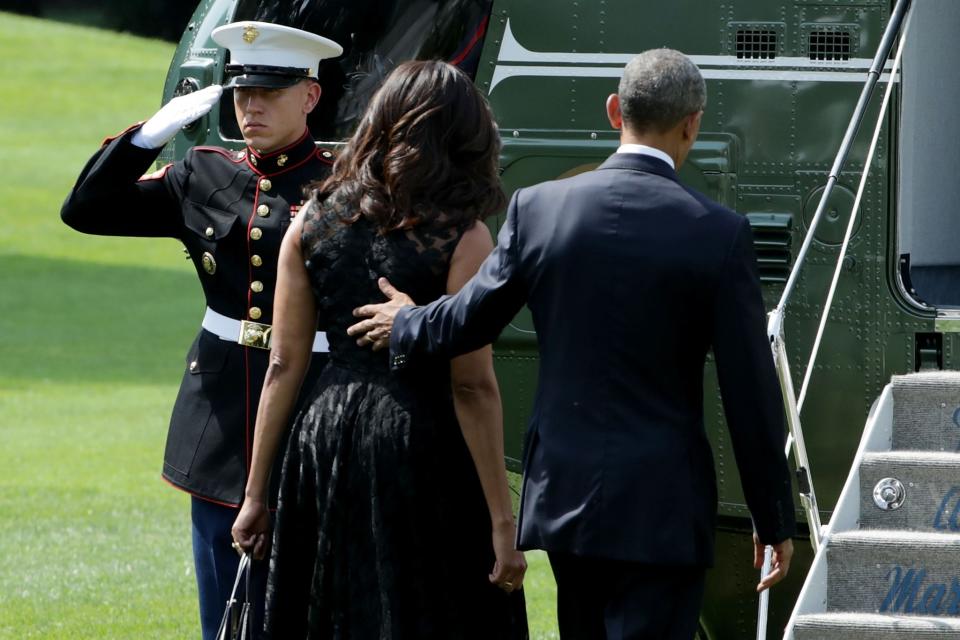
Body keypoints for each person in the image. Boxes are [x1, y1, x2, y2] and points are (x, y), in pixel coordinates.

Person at [347, 49, 797, 639]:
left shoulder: (538, 209)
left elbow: (468, 319)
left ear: (615, 111)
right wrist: (772, 515)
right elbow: (750, 391)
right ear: (693, 123)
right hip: (662, 506)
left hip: (565, 495)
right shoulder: (718, 233)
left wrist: (407, 321)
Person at [60, 21, 342, 640]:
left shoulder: (345, 184)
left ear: (310, 97)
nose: (252, 107)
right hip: (220, 414)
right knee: (223, 608)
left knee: (313, 598)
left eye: (269, 92)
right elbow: (85, 209)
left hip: (315, 403)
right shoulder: (204, 173)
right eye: (242, 93)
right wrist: (151, 135)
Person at [231, 60, 529, 639]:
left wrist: (255, 495)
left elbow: (283, 365)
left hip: (322, 432)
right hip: (419, 439)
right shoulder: (464, 235)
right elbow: (470, 385)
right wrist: (501, 519)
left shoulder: (312, 217)